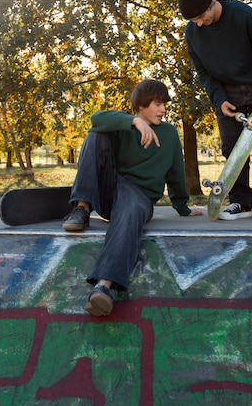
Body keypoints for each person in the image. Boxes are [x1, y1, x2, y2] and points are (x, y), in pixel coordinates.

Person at [62, 79, 203, 316]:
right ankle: (82, 207)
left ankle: (103, 287)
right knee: (96, 135)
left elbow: (176, 173)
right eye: (157, 104)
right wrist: (133, 122)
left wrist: (182, 206)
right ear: (140, 105)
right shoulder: (123, 125)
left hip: (138, 197)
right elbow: (96, 119)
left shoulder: (169, 134)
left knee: (130, 207)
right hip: (110, 190)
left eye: (164, 104)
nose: (163, 109)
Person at [178, 0, 252, 221]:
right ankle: (240, 202)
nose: (198, 23)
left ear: (212, 3)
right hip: (228, 94)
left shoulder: (244, 15)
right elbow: (204, 73)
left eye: (200, 16)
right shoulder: (193, 32)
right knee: (233, 148)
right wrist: (219, 100)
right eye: (193, 20)